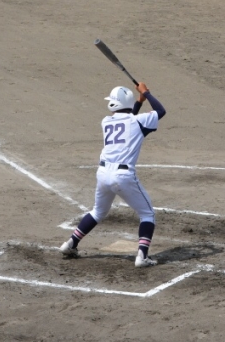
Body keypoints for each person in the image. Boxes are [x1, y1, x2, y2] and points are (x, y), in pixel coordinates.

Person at [59, 82, 166, 268]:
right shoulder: (138, 121)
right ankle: (142, 257)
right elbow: (160, 111)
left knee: (97, 212)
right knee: (147, 214)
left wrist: (139, 101)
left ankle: (70, 244)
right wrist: (146, 93)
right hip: (123, 176)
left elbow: (128, 120)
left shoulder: (106, 121)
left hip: (103, 174)